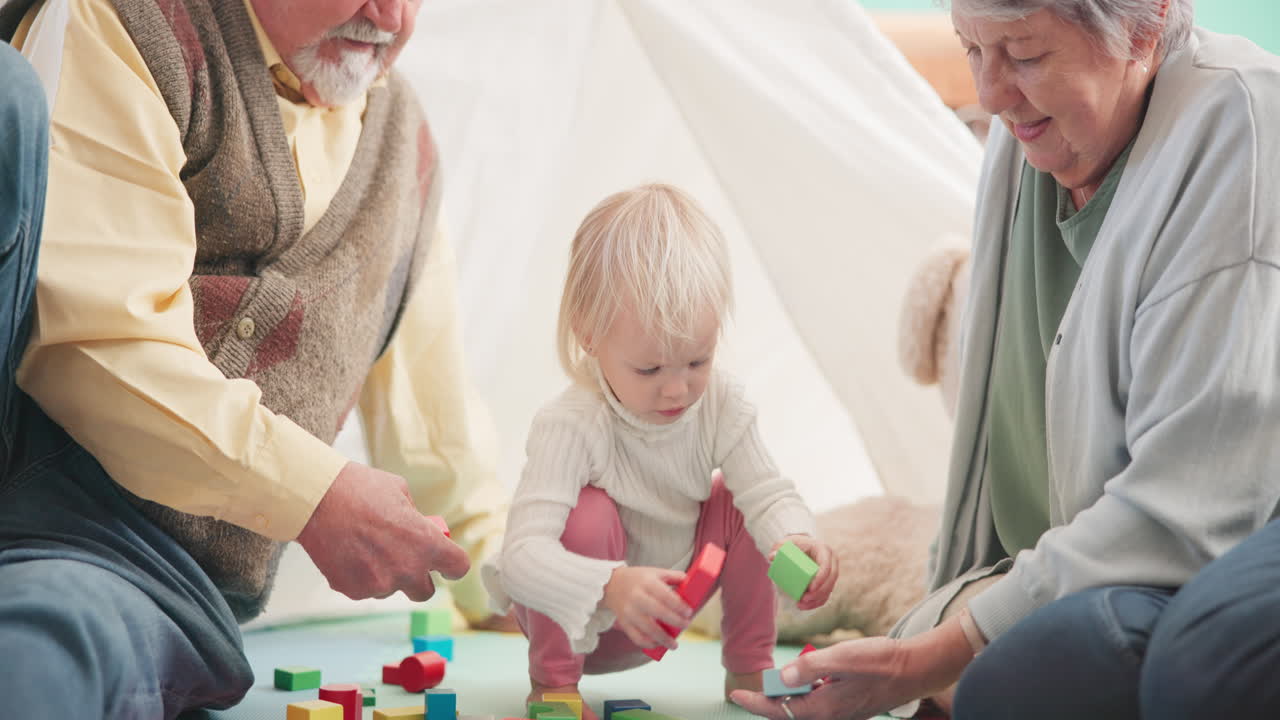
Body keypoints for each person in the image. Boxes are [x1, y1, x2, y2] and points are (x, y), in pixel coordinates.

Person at [732, 1, 1280, 719]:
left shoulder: (1240, 124)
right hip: (1120, 567)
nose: (989, 94)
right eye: (971, 50)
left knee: (1167, 672)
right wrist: (932, 641)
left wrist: (928, 658)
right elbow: (990, 515)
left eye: (1024, 55)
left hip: (1222, 543)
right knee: (1017, 670)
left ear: (1145, 26)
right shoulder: (1027, 143)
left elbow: (1192, 509)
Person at [0, 0, 512, 716]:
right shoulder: (129, 23)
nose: (389, 16)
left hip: (141, 577)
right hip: (40, 506)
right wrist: (314, 493)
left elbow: (438, 436)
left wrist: (532, 591)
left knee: (44, 654)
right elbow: (100, 343)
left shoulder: (405, 146)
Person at [482, 184, 839, 719]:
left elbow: (768, 493)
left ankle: (749, 670)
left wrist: (798, 541)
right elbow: (520, 559)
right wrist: (610, 585)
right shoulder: (569, 424)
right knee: (587, 511)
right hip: (584, 620)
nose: (677, 389)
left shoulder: (722, 403)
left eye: (697, 361)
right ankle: (552, 686)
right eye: (649, 369)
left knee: (738, 498)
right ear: (588, 335)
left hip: (674, 604)